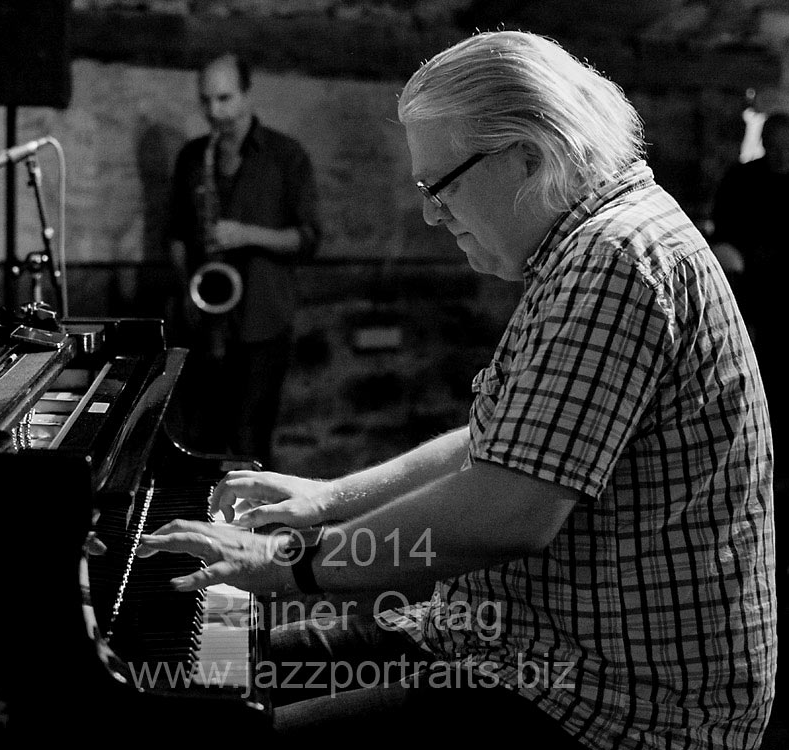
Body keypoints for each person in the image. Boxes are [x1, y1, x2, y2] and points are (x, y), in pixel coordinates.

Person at [138, 31, 776, 749]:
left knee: (226, 724)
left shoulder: (614, 260)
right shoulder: (588, 244)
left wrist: (290, 566)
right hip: (507, 644)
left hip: (607, 701)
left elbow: (507, 512)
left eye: (437, 185)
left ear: (526, 156)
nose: (430, 215)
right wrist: (325, 501)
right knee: (215, 673)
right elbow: (501, 440)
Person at [166, 51, 321, 468]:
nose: (214, 112)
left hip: (263, 321)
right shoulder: (192, 157)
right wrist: (186, 294)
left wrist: (246, 234)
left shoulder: (286, 157)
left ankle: (254, 529)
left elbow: (308, 239)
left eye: (225, 98)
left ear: (248, 94)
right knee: (200, 440)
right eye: (206, 100)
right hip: (204, 323)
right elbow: (177, 235)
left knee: (251, 439)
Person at [710, 111, 789, 526]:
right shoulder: (743, 180)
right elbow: (724, 231)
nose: (780, 154)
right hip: (750, 289)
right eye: (774, 145)